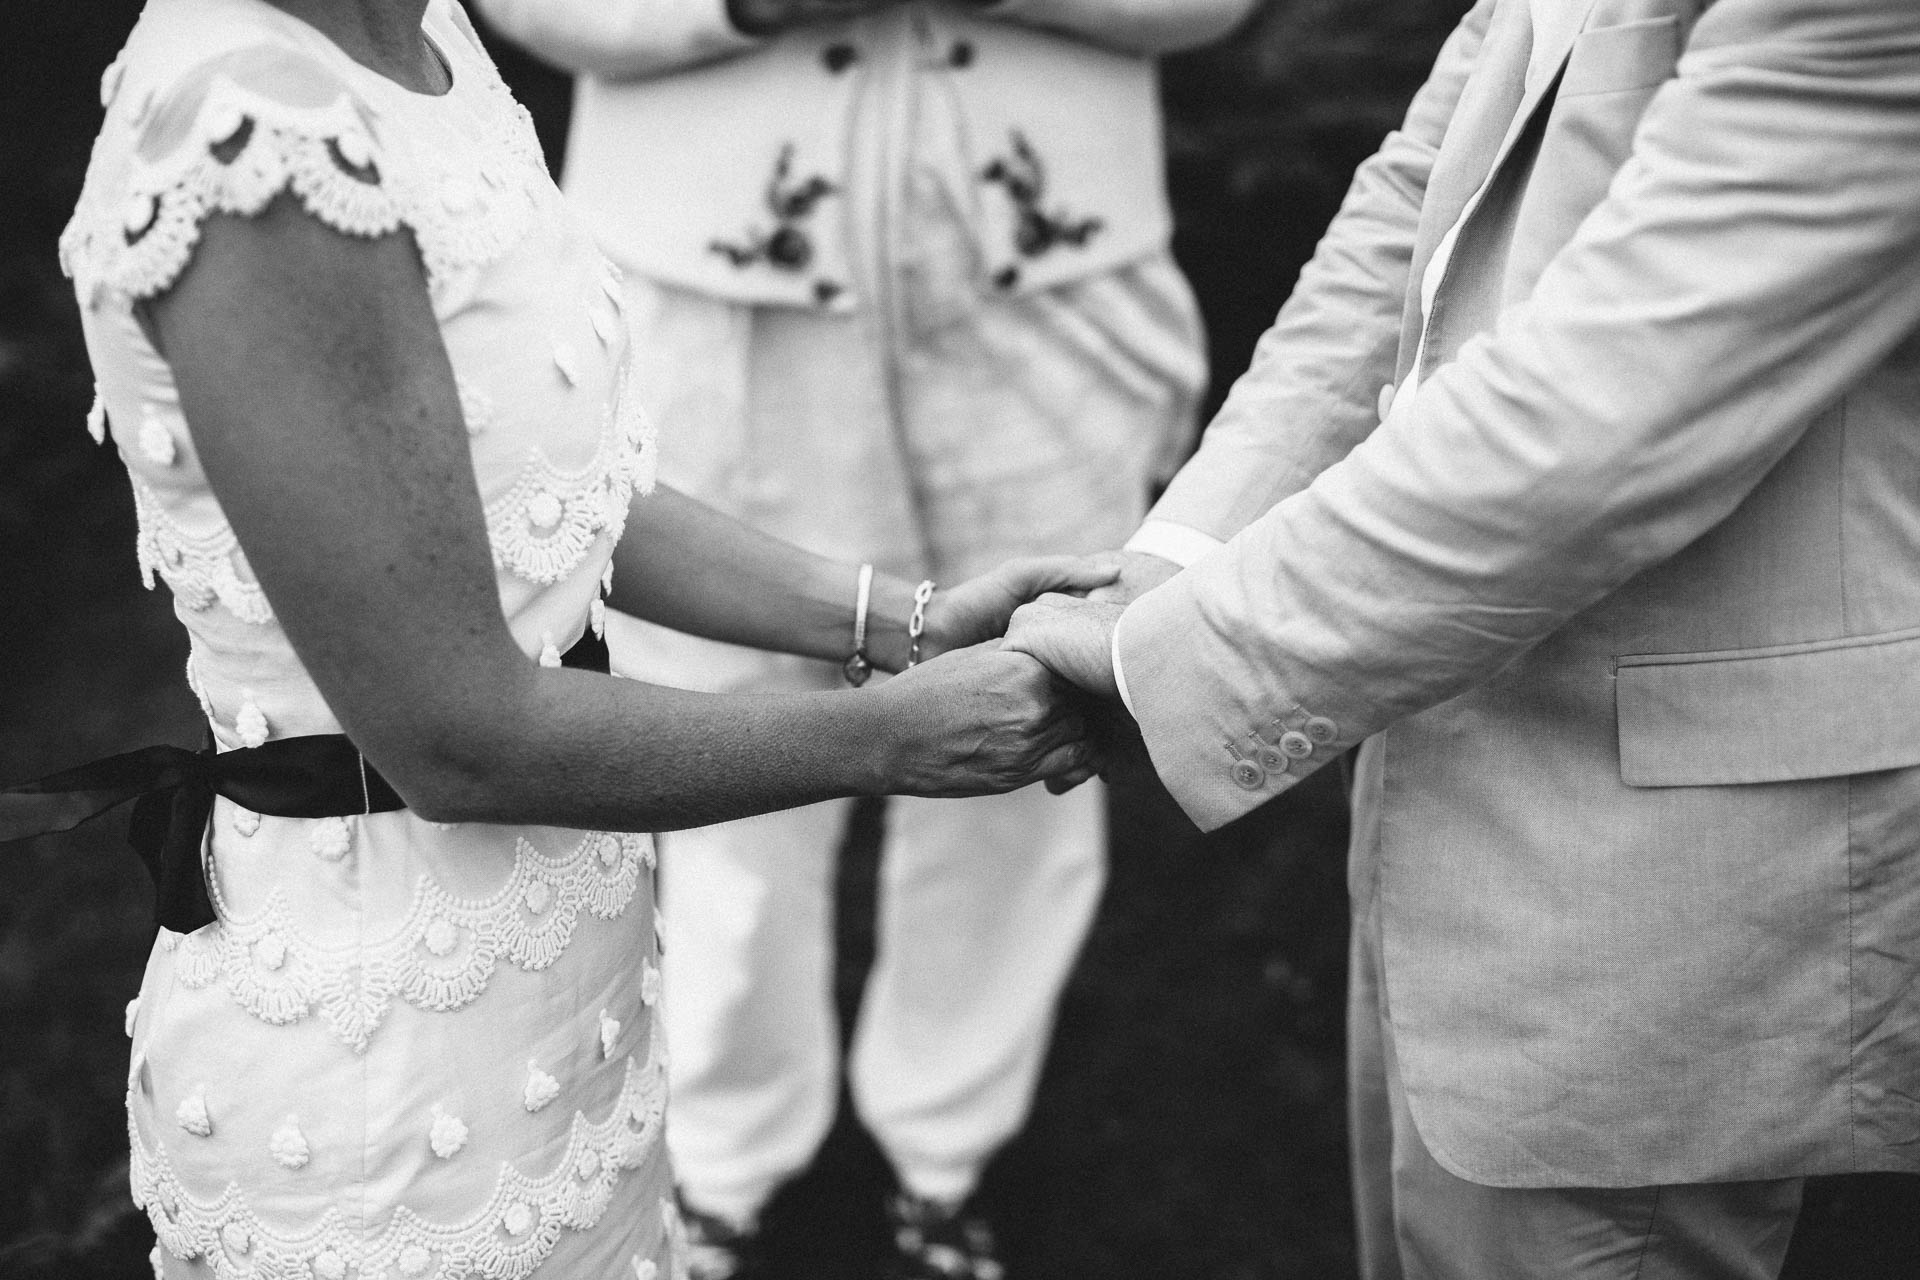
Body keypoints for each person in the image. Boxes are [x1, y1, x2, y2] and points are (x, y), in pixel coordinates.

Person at [27, 1, 1113, 1275]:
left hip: (565, 988)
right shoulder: (253, 144)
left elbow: (550, 492)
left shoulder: (423, 36)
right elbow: (459, 738)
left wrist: (904, 621)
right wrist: (889, 739)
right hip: (389, 1069)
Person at [1006, 0, 1920, 1276]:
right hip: (1447, 777)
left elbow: (1609, 411)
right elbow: (1409, 218)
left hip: (1675, 870)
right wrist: (1163, 580)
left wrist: (1182, 668)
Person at [469, 1, 1250, 1274]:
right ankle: (718, 1148)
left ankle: (951, 1146)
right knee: (710, 742)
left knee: (1034, 727)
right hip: (701, 300)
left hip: (1046, 298)